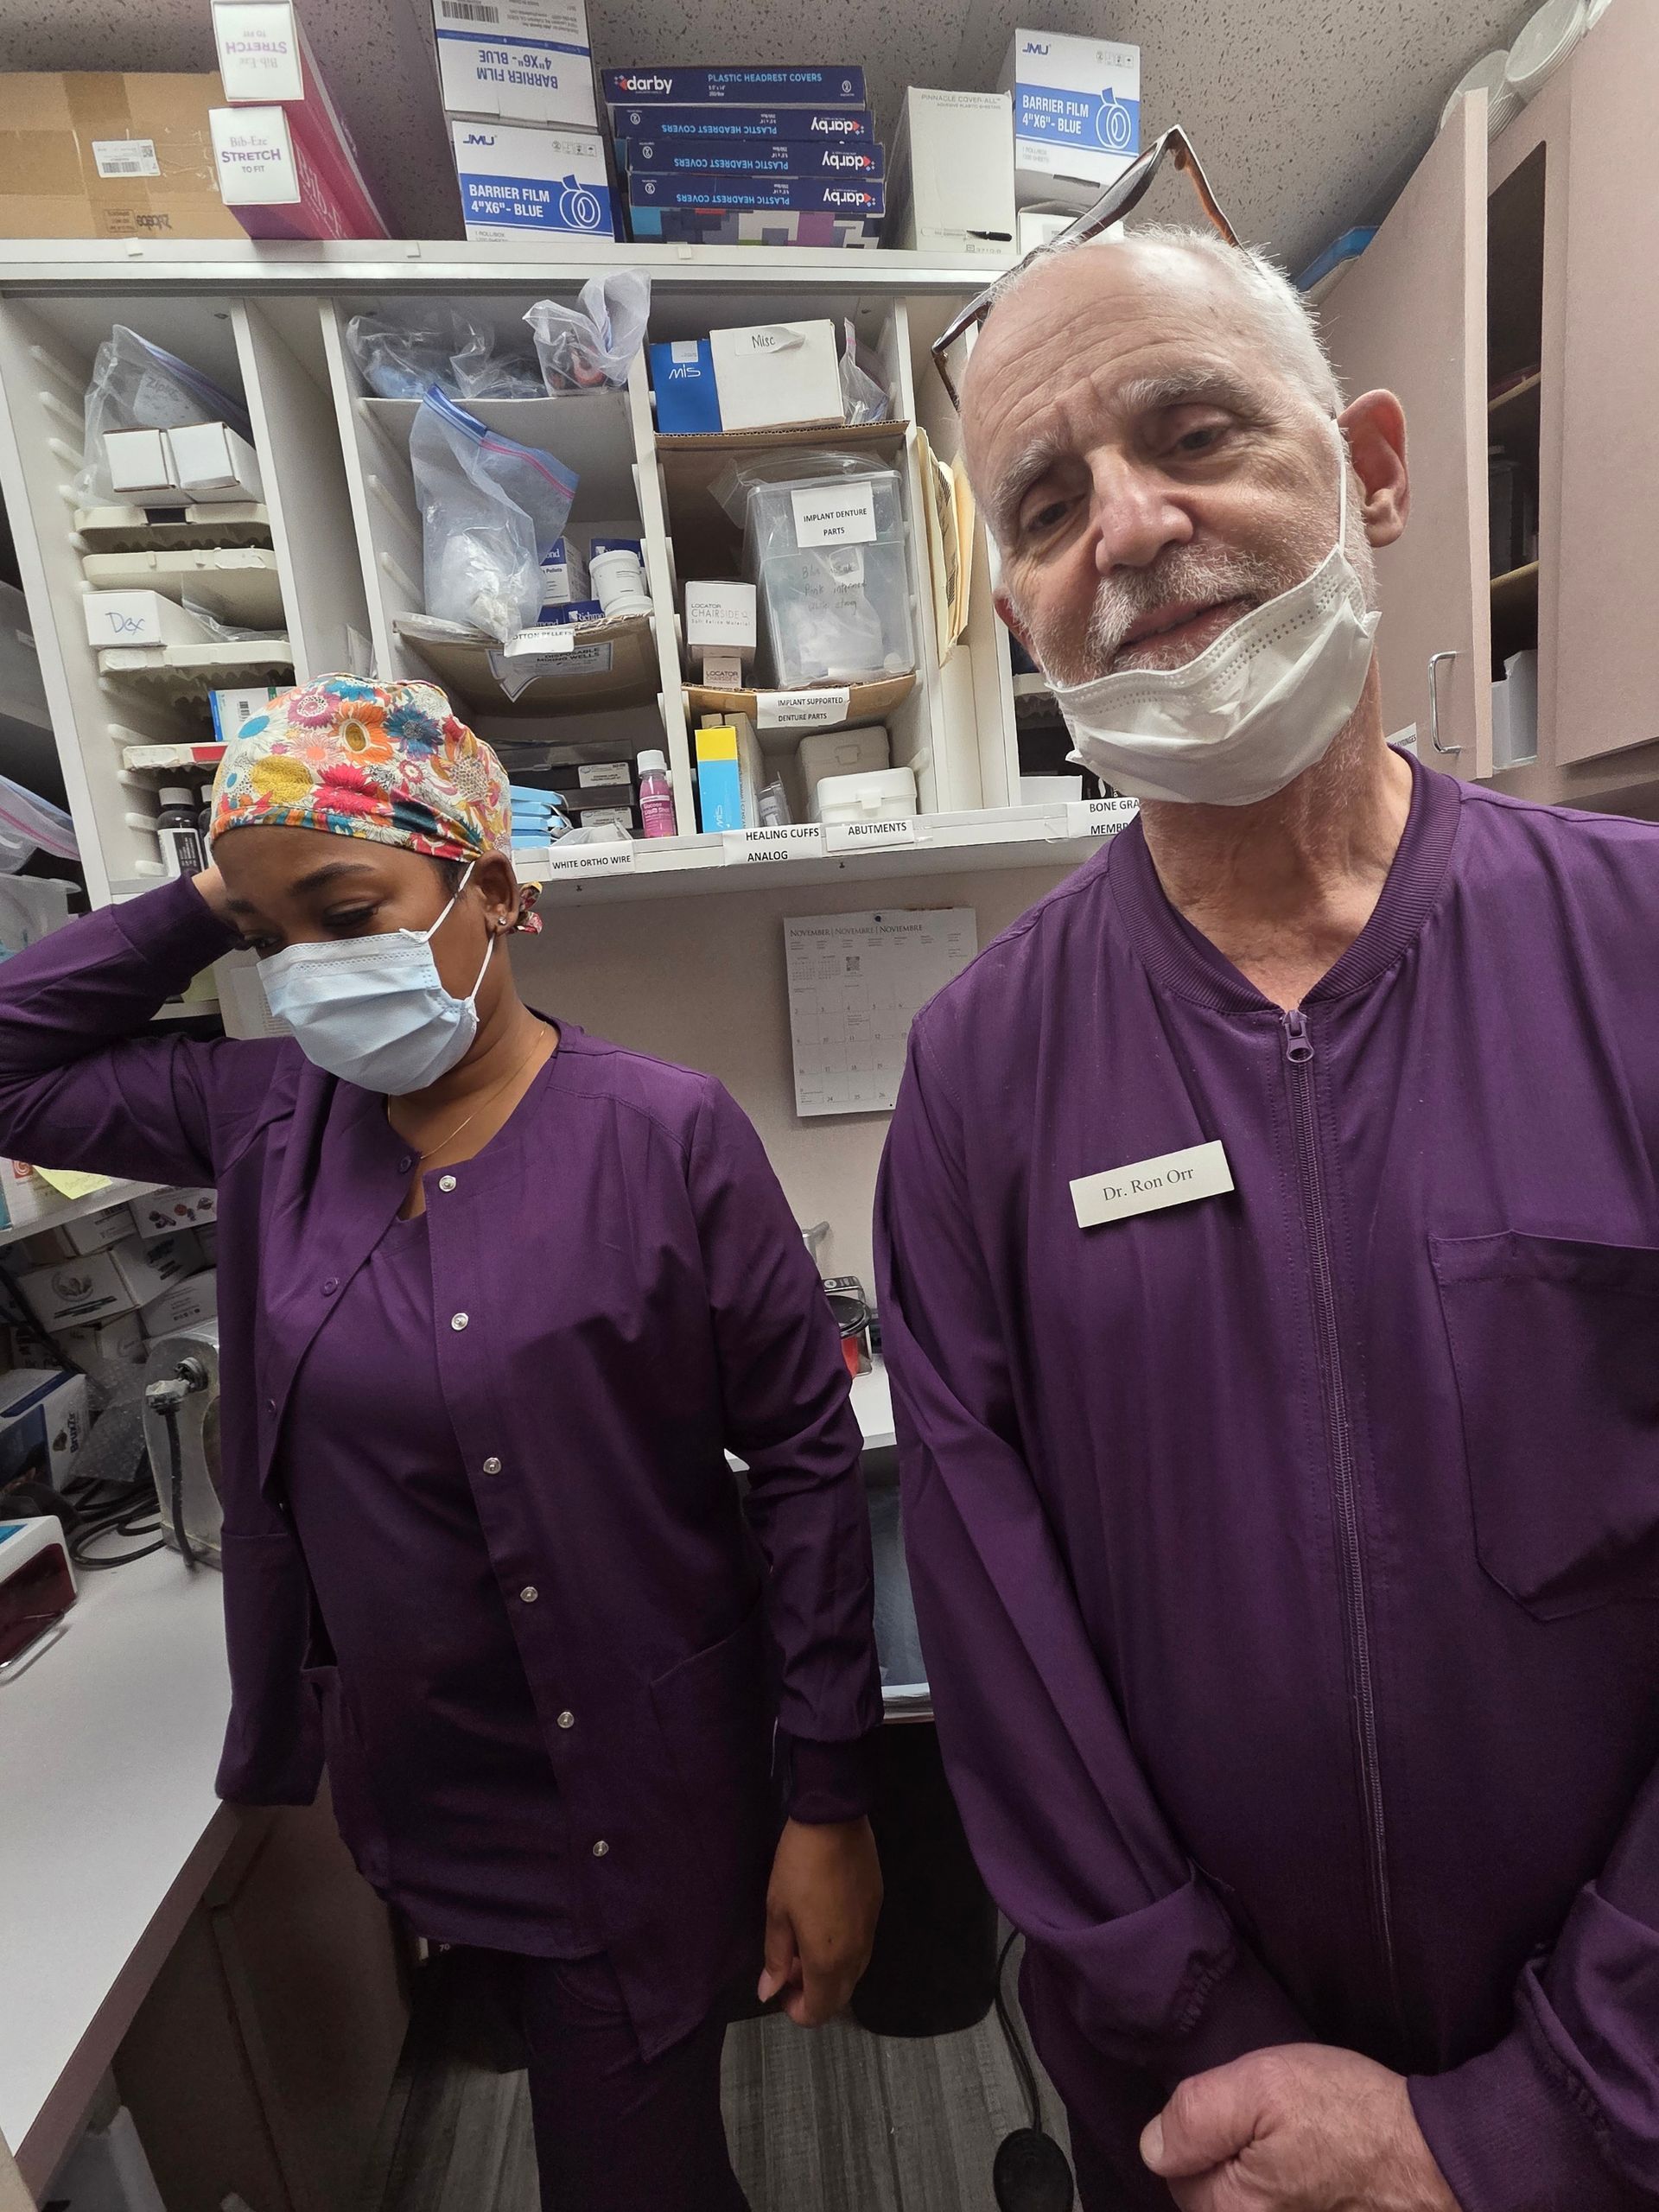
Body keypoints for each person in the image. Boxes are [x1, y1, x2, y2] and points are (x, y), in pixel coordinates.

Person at [876, 226, 1659, 2212]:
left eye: (1194, 430)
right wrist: (1219, 2055)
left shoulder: (1638, 957)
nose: (1129, 529)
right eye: (1044, 505)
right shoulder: (978, 1074)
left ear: (1375, 467)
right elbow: (999, 1642)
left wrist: (1548, 2108)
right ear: (1021, 610)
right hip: (1211, 2132)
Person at [0, 677, 883, 2212]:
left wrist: (829, 1803)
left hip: (640, 1785)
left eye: (347, 911)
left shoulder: (662, 1135)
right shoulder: (267, 1120)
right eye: (278, 945)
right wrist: (226, 882)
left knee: (626, 2175)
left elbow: (809, 1474)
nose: (309, 974)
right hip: (422, 1791)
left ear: (488, 887)